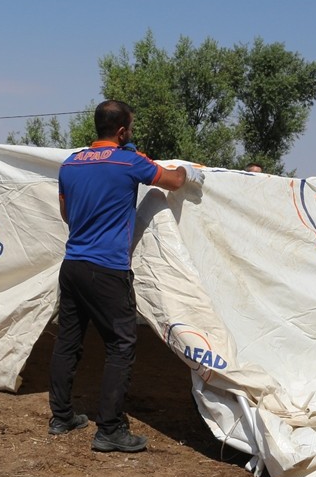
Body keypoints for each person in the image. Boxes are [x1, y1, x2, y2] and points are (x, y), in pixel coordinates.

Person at [48, 100, 203, 453]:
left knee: (68, 340)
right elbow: (173, 181)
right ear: (122, 131)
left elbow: (66, 213)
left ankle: (61, 416)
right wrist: (188, 172)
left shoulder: (70, 163)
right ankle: (110, 429)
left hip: (72, 265)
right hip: (108, 268)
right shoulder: (129, 161)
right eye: (129, 128)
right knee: (121, 344)